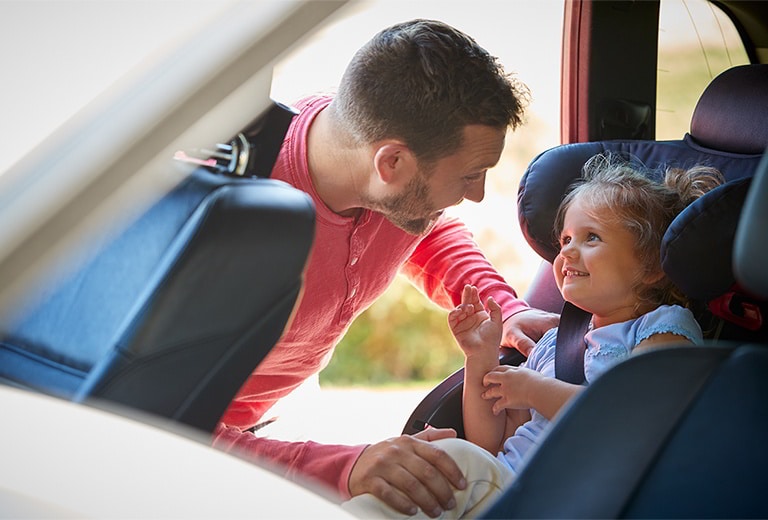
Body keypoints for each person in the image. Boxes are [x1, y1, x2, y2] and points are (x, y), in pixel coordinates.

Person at [211, 18, 559, 517]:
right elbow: (148, 426)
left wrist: (500, 305)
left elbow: (424, 229)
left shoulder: (387, 182)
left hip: (267, 422)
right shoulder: (220, 223)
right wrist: (346, 467)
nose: (477, 195)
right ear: (391, 163)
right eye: (469, 175)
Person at [341, 153, 724, 518]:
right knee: (427, 463)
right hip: (505, 486)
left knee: (450, 464)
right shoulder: (555, 343)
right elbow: (492, 442)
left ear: (653, 265)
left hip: (566, 498)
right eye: (566, 241)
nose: (568, 253)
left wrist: (534, 389)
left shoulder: (662, 327)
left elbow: (637, 421)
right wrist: (481, 360)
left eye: (592, 238)